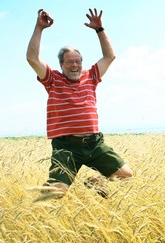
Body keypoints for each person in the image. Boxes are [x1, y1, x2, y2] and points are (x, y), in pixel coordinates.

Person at [26, 8, 133, 199]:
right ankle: (33, 206)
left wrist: (100, 29)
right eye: (69, 62)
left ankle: (94, 181)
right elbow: (32, 58)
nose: (74, 65)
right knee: (57, 192)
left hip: (93, 143)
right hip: (66, 146)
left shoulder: (91, 76)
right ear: (61, 65)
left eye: (77, 61)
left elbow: (110, 56)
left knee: (125, 174)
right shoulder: (52, 79)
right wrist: (39, 27)